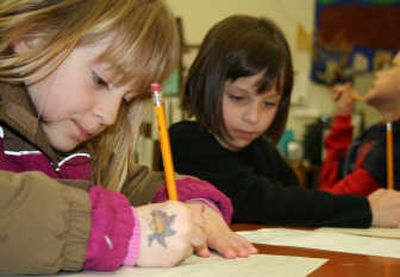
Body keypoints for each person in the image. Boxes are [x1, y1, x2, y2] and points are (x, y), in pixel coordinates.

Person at [0, 1, 256, 275]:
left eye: (127, 99)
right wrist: (122, 231)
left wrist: (195, 206)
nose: (110, 116)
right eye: (101, 80)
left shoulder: (77, 149)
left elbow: (129, 181)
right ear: (31, 36)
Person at [168, 15, 400, 227]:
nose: (254, 118)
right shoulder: (184, 140)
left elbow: (298, 200)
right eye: (238, 97)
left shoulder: (262, 150)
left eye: (269, 104)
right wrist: (366, 210)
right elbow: (258, 202)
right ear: (205, 84)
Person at [319, 53, 400, 195]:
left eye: (392, 67)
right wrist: (344, 113)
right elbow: (331, 179)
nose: (378, 73)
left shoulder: (395, 145)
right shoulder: (376, 132)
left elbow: (338, 200)